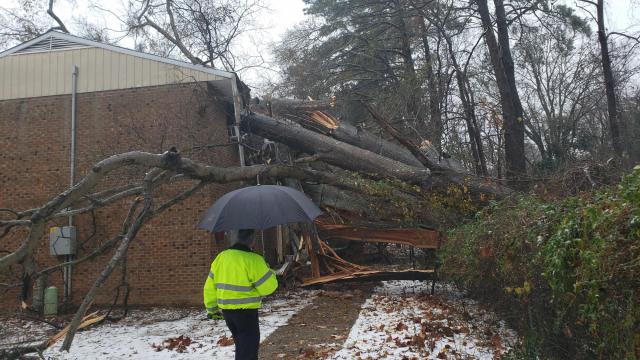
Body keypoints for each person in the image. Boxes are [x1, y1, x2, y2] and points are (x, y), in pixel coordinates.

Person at [203, 229, 278, 360]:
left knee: (242, 346)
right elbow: (268, 288)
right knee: (248, 350)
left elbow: (209, 287)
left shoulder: (221, 257)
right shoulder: (254, 260)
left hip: (227, 313)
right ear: (252, 240)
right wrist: (269, 271)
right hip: (246, 313)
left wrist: (212, 309)